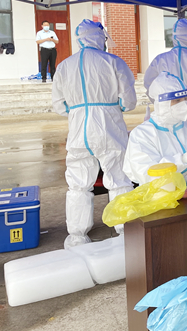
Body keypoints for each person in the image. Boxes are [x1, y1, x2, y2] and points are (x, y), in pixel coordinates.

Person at [51, 20, 136, 248]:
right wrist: (111, 107)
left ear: (80, 38)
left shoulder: (64, 66)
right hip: (108, 127)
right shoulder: (113, 62)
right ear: (99, 38)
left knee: (78, 182)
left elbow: (59, 106)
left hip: (78, 129)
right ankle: (125, 232)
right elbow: (129, 102)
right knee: (118, 178)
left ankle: (77, 237)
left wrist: (79, 110)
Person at [123, 72, 187, 185]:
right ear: (162, 104)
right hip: (162, 195)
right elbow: (150, 175)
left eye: (185, 99)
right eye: (177, 100)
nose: (184, 104)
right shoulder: (142, 134)